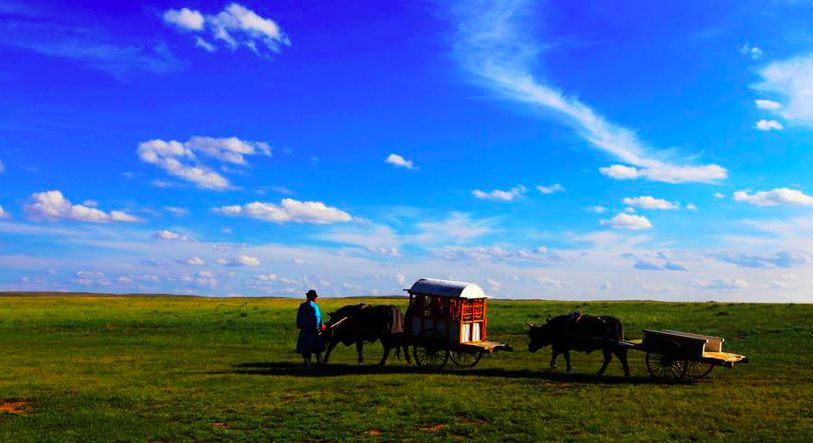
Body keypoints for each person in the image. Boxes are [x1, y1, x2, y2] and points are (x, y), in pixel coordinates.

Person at [296, 289, 326, 368]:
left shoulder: (302, 305)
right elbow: (317, 317)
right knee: (317, 348)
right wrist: (318, 327)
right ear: (313, 298)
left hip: (304, 330)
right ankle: (320, 363)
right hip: (313, 330)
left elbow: (298, 317)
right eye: (316, 297)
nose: (317, 299)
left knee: (306, 348)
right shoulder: (314, 306)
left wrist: (299, 324)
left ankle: (307, 364)